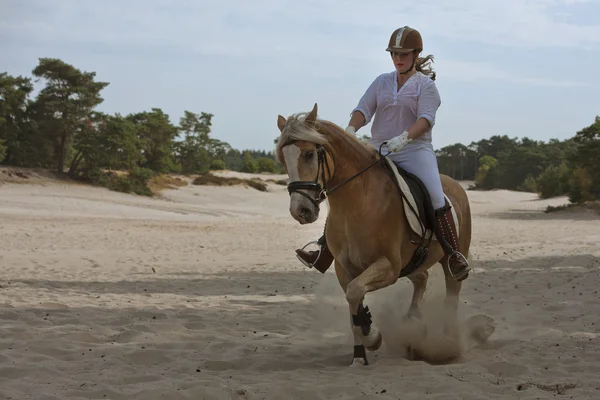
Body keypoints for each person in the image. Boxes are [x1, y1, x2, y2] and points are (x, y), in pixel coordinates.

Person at [295, 26, 470, 281]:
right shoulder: (381, 82)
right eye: (394, 53)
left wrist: (405, 137)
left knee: (435, 195)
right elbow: (363, 109)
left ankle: (453, 253)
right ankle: (324, 248)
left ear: (415, 54)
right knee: (342, 186)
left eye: (404, 54)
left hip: (414, 151)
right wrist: (351, 130)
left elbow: (425, 119)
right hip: (378, 149)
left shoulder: (426, 87)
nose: (398, 58)